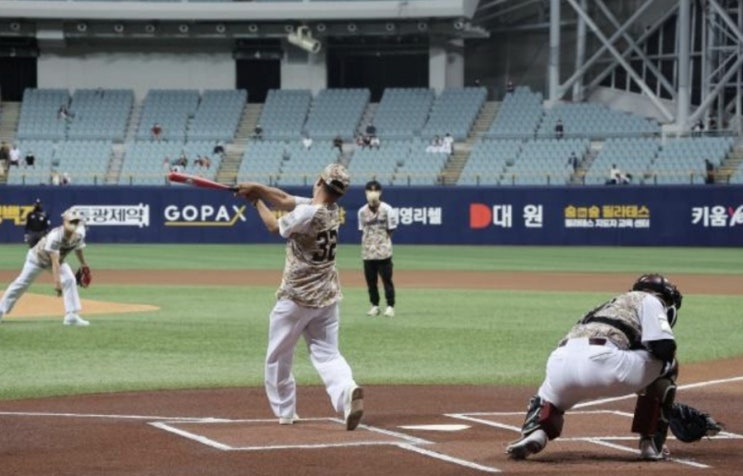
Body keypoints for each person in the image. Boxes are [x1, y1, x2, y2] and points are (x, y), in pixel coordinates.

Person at [233, 163, 364, 430]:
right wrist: (258, 188)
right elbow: (283, 199)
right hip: (327, 298)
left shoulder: (307, 213)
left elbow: (273, 226)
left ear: (319, 181)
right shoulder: (331, 210)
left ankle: (286, 410)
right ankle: (346, 392)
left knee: (278, 356)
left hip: (296, 298)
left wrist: (256, 201)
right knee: (328, 354)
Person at [506, 274, 683, 461]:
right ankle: (651, 444)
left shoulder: (608, 305)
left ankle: (537, 432)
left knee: (550, 396)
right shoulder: (650, 300)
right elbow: (664, 348)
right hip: (605, 365)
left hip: (560, 362)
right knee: (669, 364)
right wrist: (667, 408)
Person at [0, 208, 91, 326]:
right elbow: (55, 262)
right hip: (36, 259)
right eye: (71, 221)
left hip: (57, 260)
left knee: (69, 279)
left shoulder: (80, 233)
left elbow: (78, 248)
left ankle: (71, 316)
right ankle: (1, 310)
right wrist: (57, 283)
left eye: (76, 222)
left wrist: (84, 264)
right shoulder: (55, 236)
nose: (74, 224)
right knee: (21, 283)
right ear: (64, 221)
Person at [357, 180, 398, 318]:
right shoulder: (362, 211)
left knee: (387, 280)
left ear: (380, 192)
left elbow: (391, 229)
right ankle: (375, 306)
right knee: (371, 281)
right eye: (369, 190)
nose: (372, 193)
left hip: (384, 252)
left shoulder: (387, 209)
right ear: (365, 193)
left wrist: (382, 241)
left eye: (375, 190)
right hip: (368, 252)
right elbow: (362, 230)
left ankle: (390, 306)